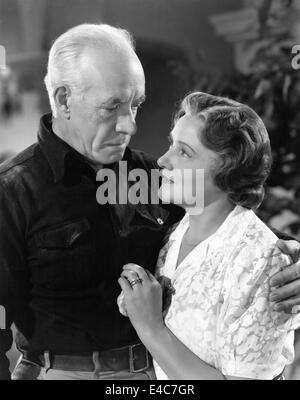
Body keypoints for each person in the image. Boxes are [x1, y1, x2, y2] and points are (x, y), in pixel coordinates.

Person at [0, 24, 298, 381]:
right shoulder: (14, 190)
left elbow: (227, 224)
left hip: (157, 373)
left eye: (136, 105)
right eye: (112, 107)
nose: (129, 125)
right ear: (64, 99)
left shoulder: (155, 176)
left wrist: (288, 256)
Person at [118, 92, 300, 380]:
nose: (163, 160)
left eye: (184, 152)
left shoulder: (263, 261)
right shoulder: (174, 235)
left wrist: (150, 327)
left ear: (227, 167)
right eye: (171, 145)